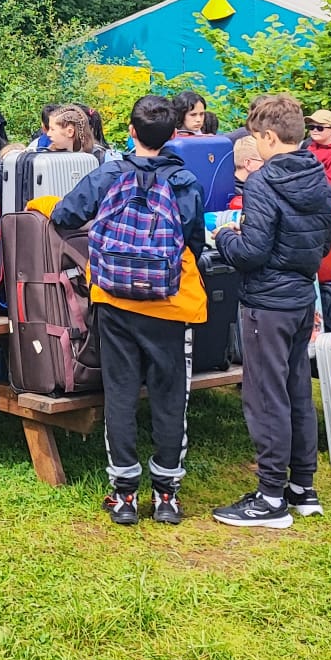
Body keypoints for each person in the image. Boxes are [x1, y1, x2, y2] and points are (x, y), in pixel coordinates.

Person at [50, 94, 206, 527]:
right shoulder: (185, 181)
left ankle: (124, 496)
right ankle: (167, 495)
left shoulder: (109, 174)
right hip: (169, 303)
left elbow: (64, 215)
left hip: (115, 300)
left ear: (131, 131)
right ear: (173, 134)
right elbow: (193, 241)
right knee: (170, 397)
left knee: (119, 395)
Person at [210, 93, 331, 529]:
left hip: (267, 302)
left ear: (267, 137)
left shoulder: (264, 182)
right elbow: (323, 243)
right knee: (296, 390)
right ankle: (302, 487)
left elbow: (252, 251)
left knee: (266, 396)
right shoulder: (319, 176)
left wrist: (225, 237)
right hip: (302, 297)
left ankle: (269, 498)